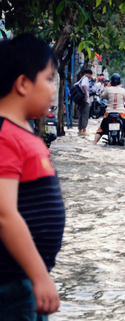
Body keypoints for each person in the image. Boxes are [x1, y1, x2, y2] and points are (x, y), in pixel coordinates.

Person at [0, 34, 64, 318]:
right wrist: (40, 277)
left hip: (24, 279)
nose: (53, 89)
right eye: (49, 79)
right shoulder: (5, 136)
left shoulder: (24, 132)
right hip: (11, 283)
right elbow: (4, 213)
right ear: (24, 83)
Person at [93, 74, 125, 146]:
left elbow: (102, 96)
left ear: (111, 81)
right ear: (119, 82)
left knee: (101, 129)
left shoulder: (108, 89)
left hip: (109, 113)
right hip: (121, 113)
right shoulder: (123, 90)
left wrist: (108, 87)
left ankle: (94, 143)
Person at [74, 68, 93, 135]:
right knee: (85, 115)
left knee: (81, 115)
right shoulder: (85, 79)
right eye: (90, 74)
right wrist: (86, 94)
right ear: (86, 74)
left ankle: (80, 130)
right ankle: (84, 130)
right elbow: (83, 86)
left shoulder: (81, 79)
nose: (90, 76)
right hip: (85, 100)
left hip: (81, 99)